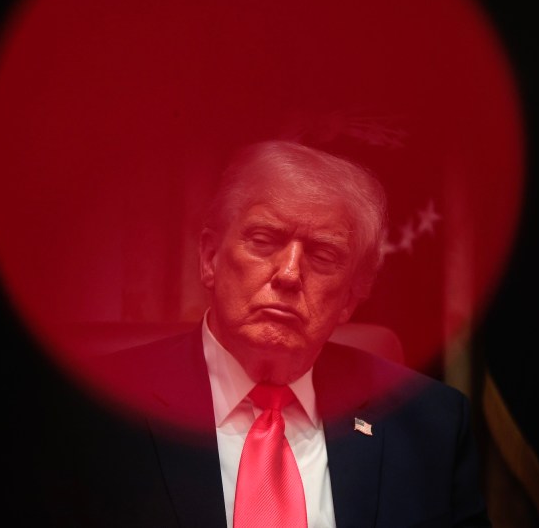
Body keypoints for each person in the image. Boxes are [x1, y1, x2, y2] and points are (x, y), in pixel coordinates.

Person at [41, 140, 490, 527]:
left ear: (352, 297)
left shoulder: (430, 423)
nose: (290, 274)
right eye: (263, 240)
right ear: (210, 258)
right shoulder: (90, 408)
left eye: (323, 254)